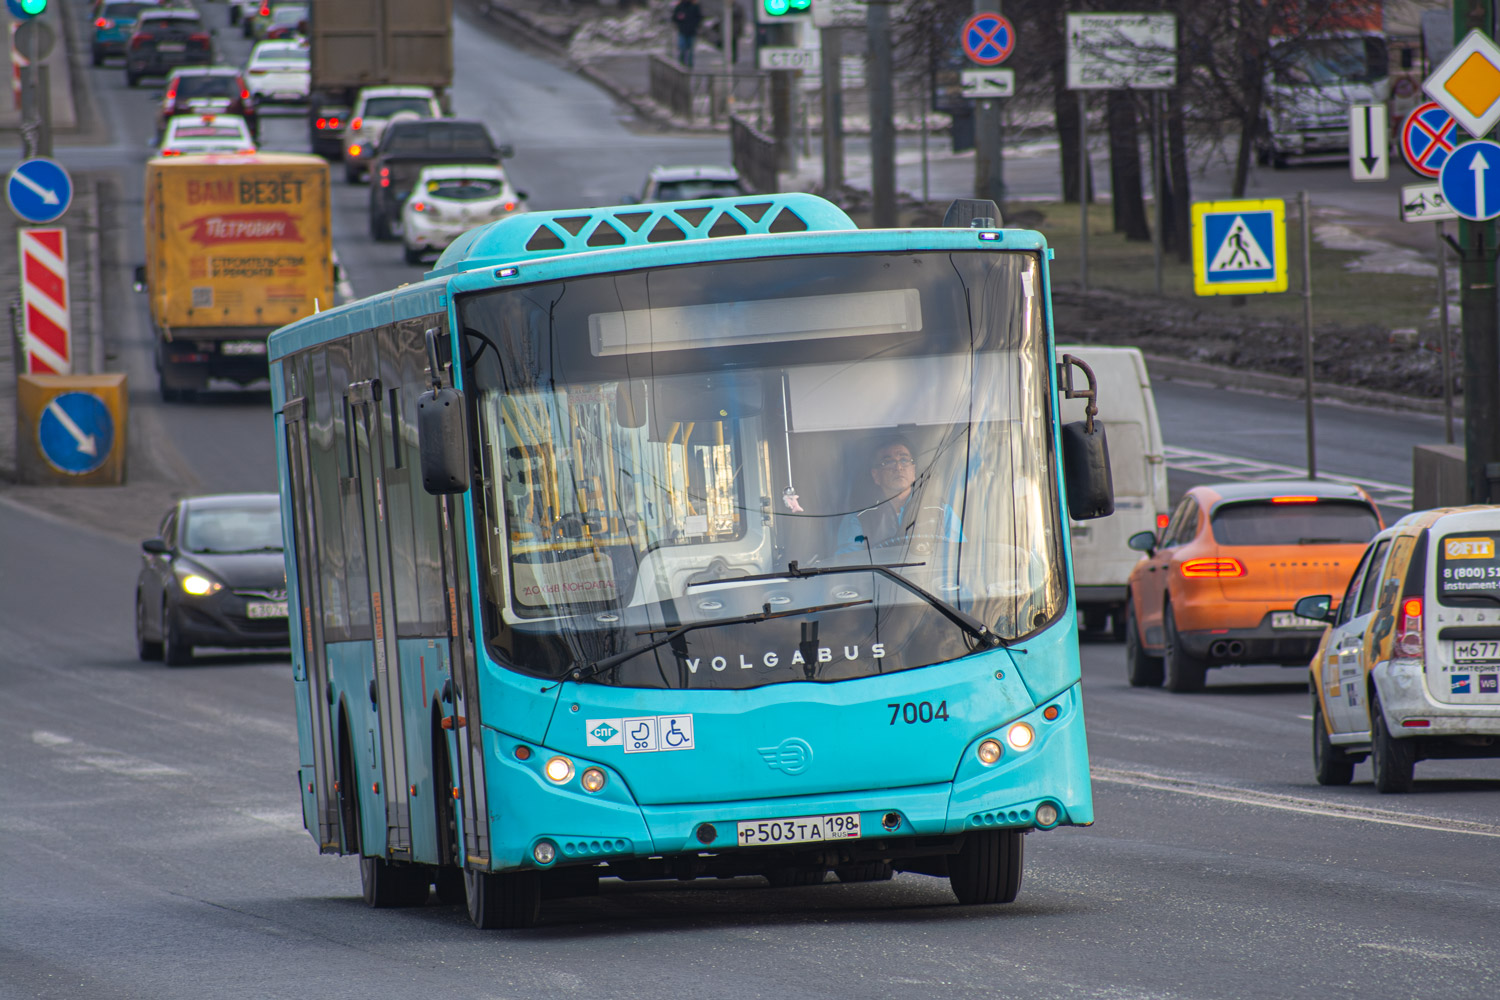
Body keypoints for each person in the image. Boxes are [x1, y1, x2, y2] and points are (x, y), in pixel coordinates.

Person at [836, 437, 963, 556]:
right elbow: (849, 565)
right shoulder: (858, 519)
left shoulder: (942, 511)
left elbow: (961, 556)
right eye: (888, 462)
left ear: (913, 471)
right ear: (876, 475)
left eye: (904, 460)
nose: (898, 467)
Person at [672, 0, 702, 70]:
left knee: (690, 49)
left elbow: (699, 17)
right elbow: (674, 17)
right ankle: (682, 63)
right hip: (683, 31)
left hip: (691, 31)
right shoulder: (680, 6)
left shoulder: (695, 6)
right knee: (683, 48)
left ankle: (689, 65)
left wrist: (695, 25)